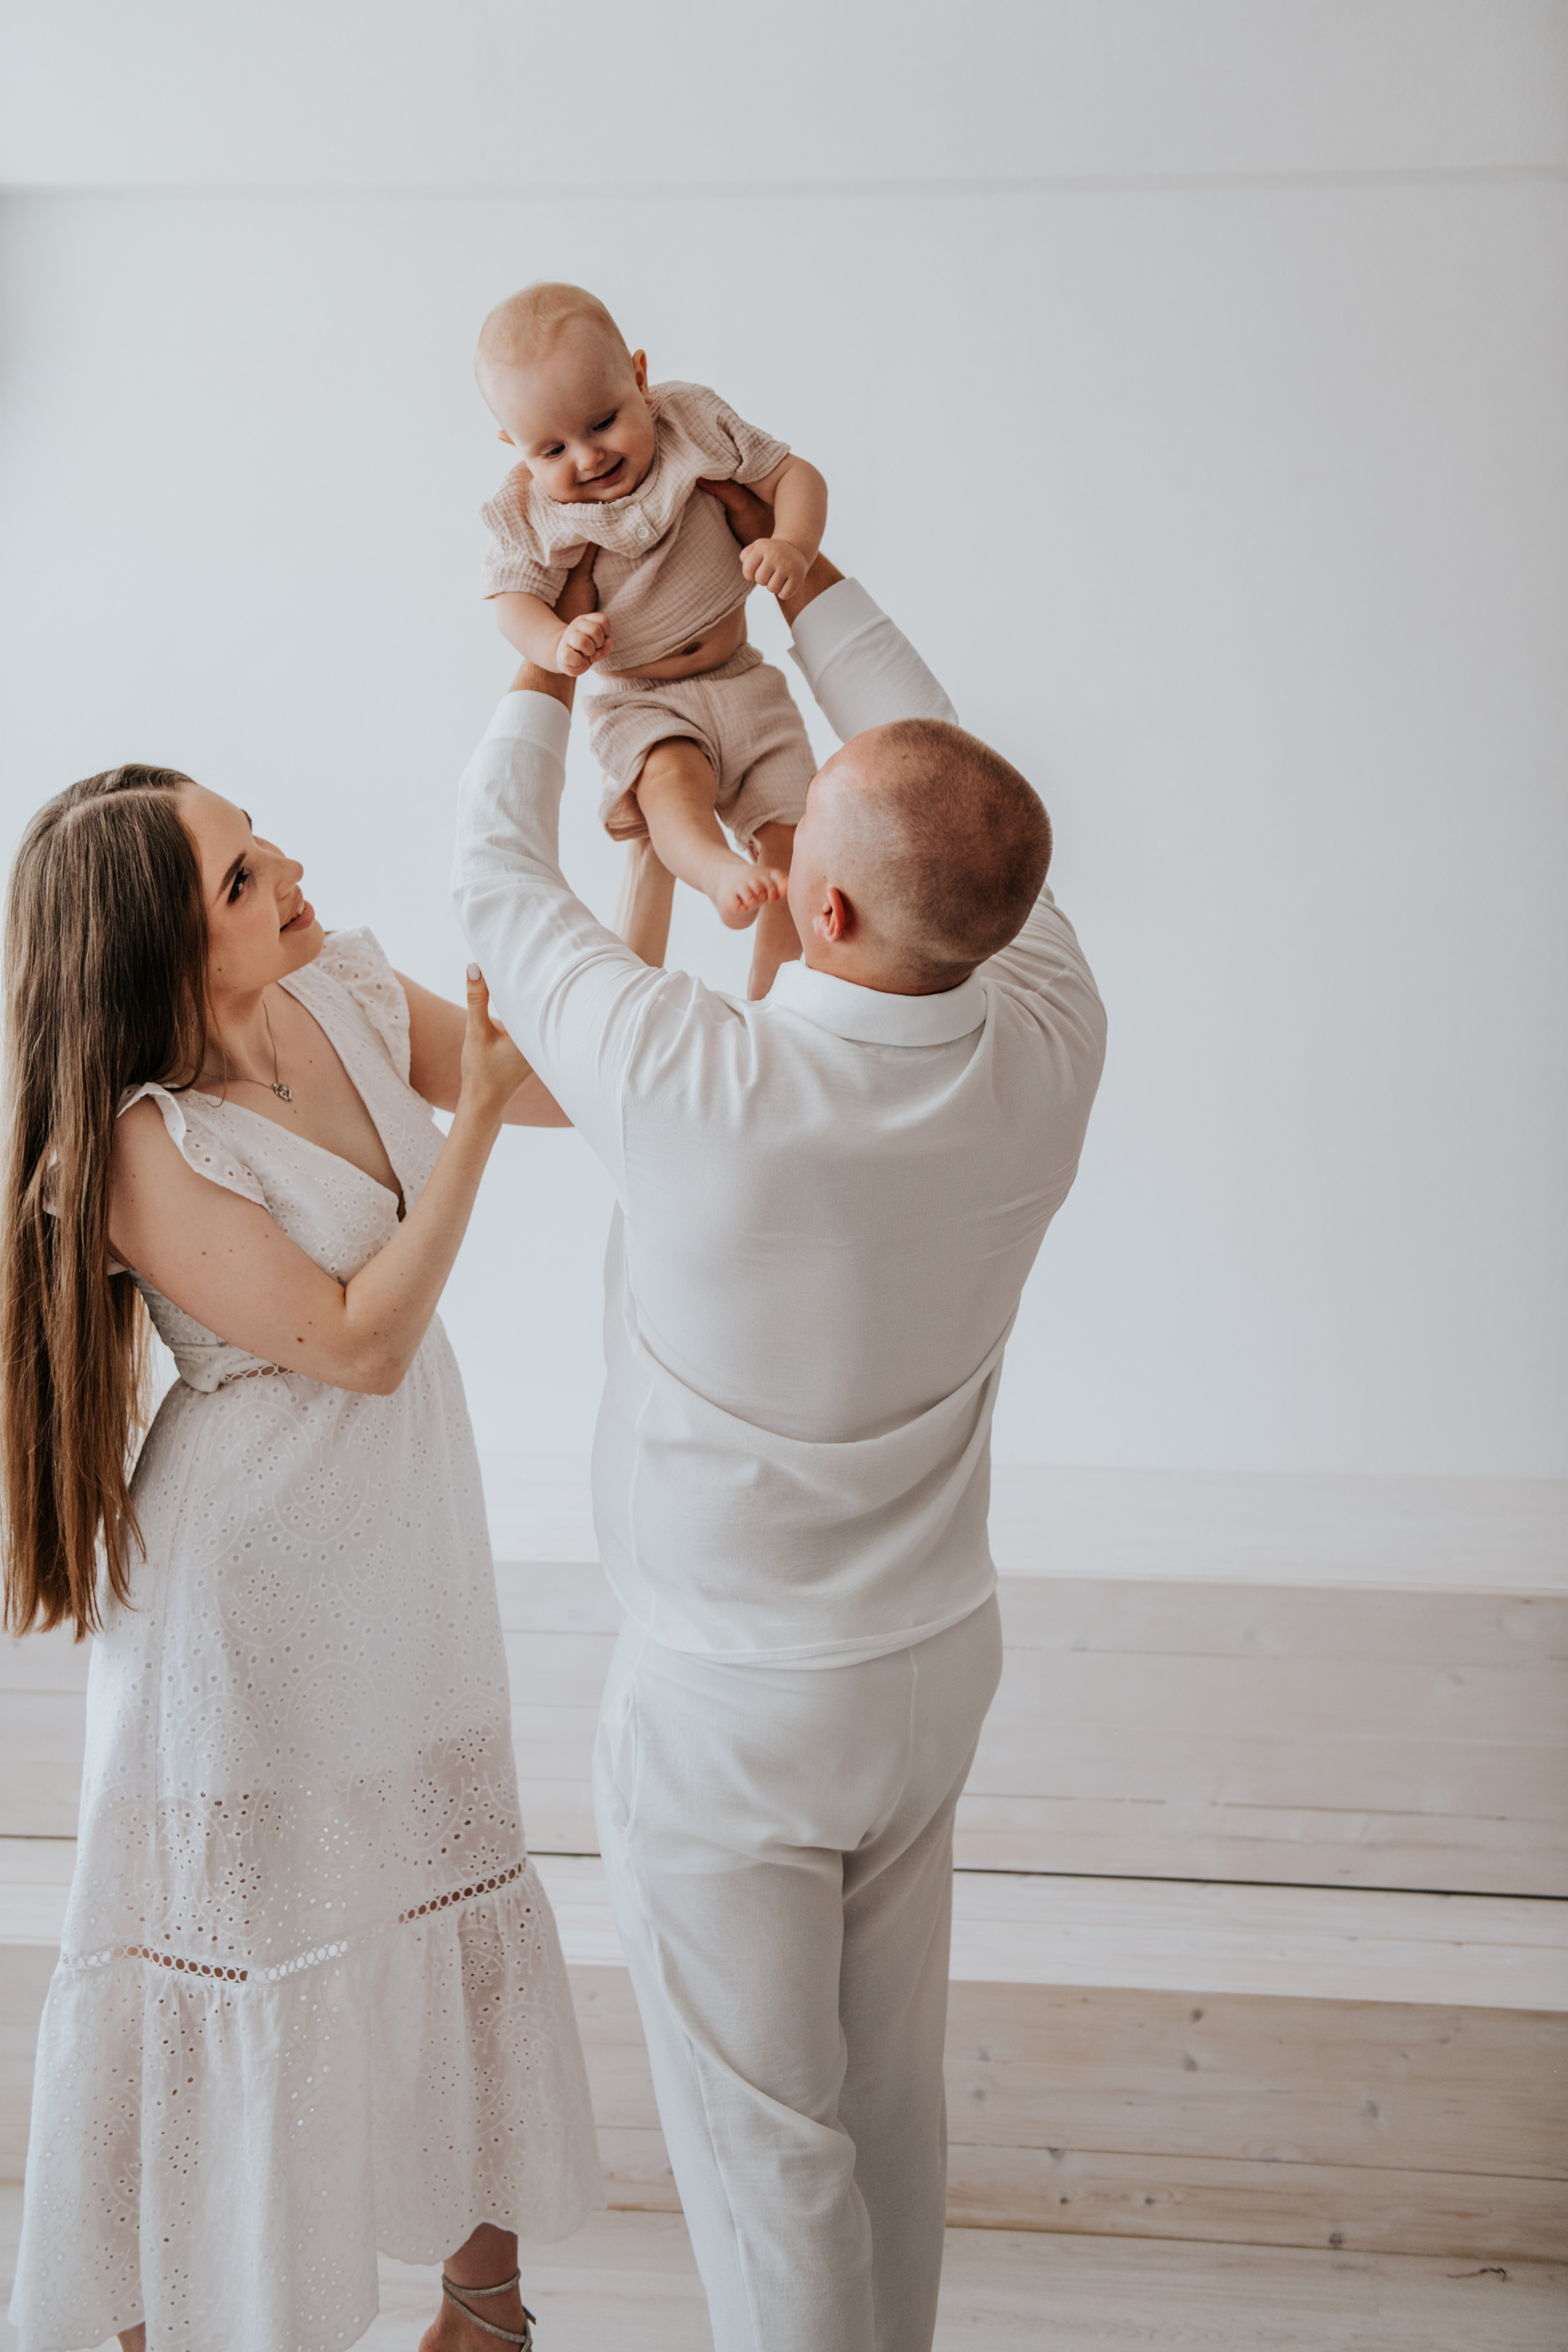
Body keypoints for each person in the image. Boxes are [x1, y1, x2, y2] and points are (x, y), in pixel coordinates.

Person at [451, 488, 1107, 2352]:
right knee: (886, 2097)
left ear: (817, 908)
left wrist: (542, 673)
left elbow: (493, 888)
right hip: (931, 1663)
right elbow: (955, 804)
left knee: (768, 2147)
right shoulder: (1049, 1031)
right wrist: (805, 595)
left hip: (731, 1708)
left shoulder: (691, 1077)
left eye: (795, 823)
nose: (771, 814)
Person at [2, 770, 601, 2352]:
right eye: (239, 877)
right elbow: (355, 1343)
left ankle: (487, 2313)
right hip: (248, 1589)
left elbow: (576, 1074)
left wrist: (646, 870)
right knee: (241, 1954)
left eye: (259, 843)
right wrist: (471, 1129)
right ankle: (170, 2326)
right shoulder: (143, 1145)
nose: (288, 872)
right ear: (162, 950)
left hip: (399, 1544)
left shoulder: (339, 985)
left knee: (448, 1876)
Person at [474, 281, 829, 997]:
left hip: (745, 680)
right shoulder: (527, 508)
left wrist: (791, 543)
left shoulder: (691, 421)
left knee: (797, 850)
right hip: (641, 700)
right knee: (670, 792)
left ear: (640, 377)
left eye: (603, 422)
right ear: (515, 446)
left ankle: (775, 1007)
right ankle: (715, 870)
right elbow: (510, 601)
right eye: (552, 448)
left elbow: (794, 475)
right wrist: (556, 642)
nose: (587, 458)